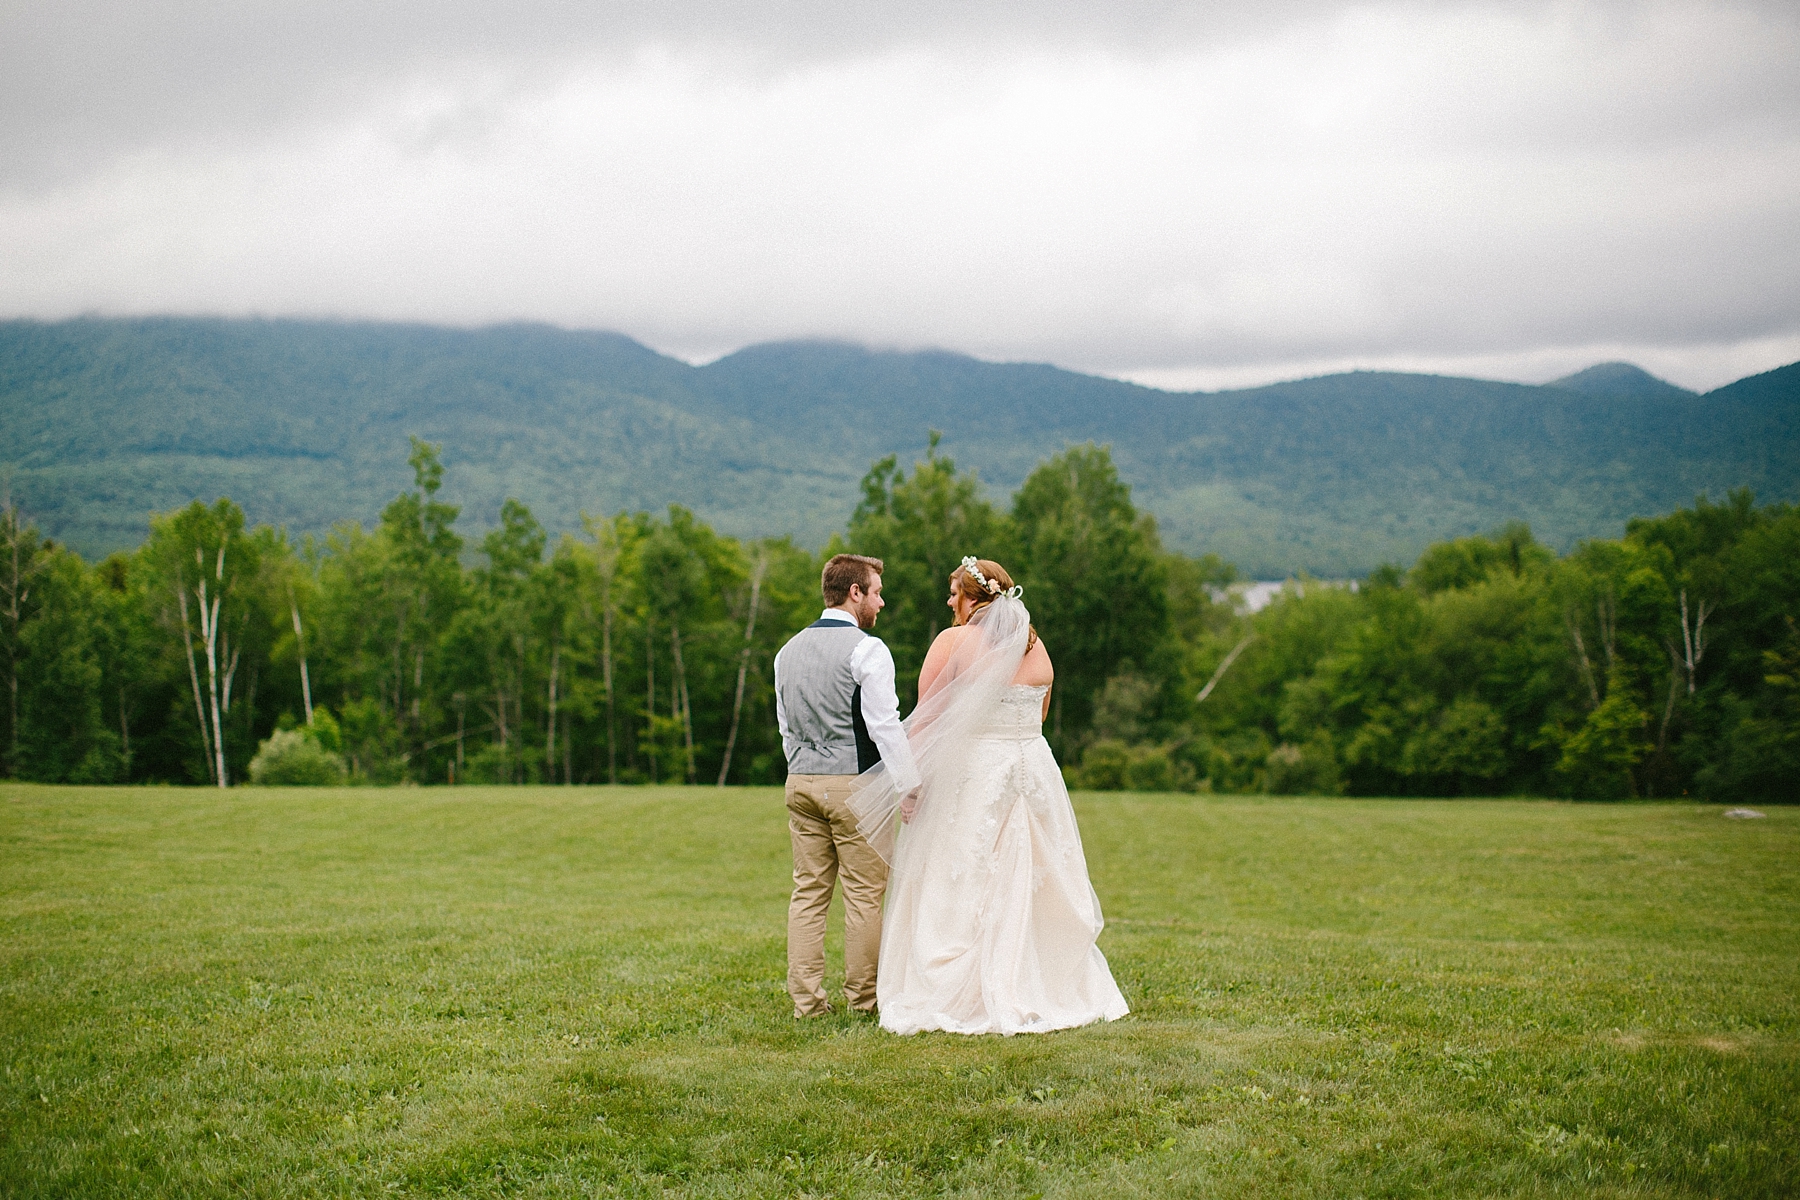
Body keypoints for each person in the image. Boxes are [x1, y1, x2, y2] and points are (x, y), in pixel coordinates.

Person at [850, 557, 1129, 1035]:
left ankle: (959, 988)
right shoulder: (1035, 648)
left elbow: (928, 716)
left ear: (971, 598)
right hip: (1033, 769)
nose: (947, 602)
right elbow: (1039, 715)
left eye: (953, 593)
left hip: (977, 771)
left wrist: (909, 785)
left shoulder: (953, 641)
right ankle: (1041, 982)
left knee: (965, 873)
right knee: (1032, 872)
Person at [773, 553, 920, 1018]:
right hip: (856, 788)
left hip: (800, 782)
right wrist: (908, 784)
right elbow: (885, 725)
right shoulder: (867, 650)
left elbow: (785, 727)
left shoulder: (785, 652)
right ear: (854, 592)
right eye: (875, 591)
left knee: (809, 894)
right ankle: (864, 1001)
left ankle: (807, 1003)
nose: (881, 600)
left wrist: (803, 770)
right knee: (863, 896)